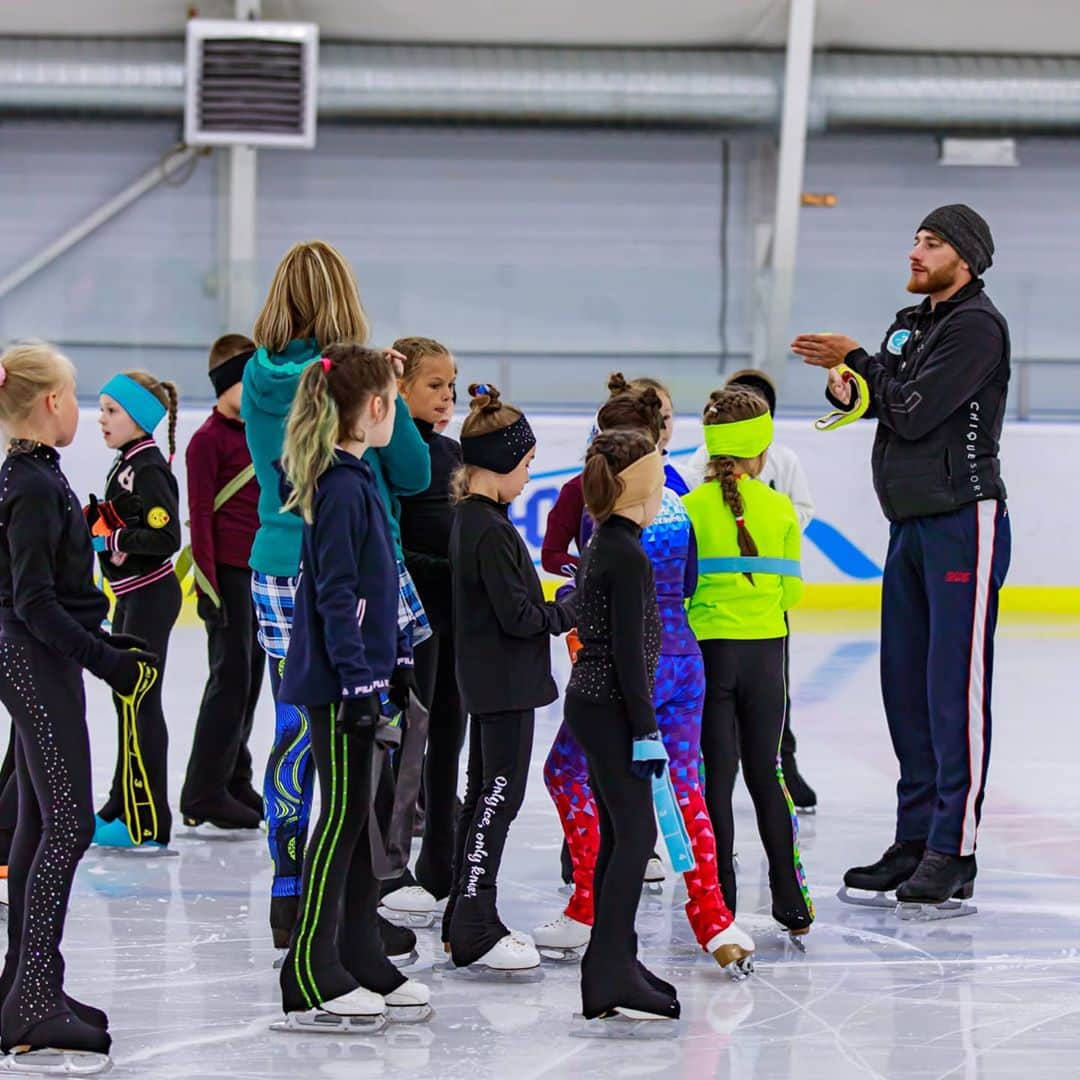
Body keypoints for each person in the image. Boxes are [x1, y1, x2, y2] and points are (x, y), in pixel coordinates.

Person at [792, 204, 1011, 909]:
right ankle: (915, 839)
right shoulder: (912, 322)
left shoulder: (976, 327)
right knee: (906, 690)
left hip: (961, 522)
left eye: (934, 242)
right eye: (915, 238)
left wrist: (859, 363)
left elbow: (915, 410)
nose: (916, 251)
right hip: (910, 523)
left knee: (954, 690)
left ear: (966, 258)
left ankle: (955, 849)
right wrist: (849, 386)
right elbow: (883, 397)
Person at [242, 240, 429, 953]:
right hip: (351, 563)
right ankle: (355, 899)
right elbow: (410, 472)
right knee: (362, 735)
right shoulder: (355, 379)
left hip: (278, 562)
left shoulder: (258, 379)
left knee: (295, 729)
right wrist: (390, 392)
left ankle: (291, 888)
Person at [536, 382, 754, 976]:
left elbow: (598, 593)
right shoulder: (676, 504)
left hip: (631, 666)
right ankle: (714, 918)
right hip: (685, 657)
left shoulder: (605, 514)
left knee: (567, 772)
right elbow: (686, 585)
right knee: (684, 787)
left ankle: (587, 904)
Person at [0, 342, 159, 1072]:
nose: (81, 406)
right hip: (33, 659)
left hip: (44, 656)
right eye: (75, 394)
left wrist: (101, 648)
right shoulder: (30, 485)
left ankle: (27, 987)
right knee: (66, 820)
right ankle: (32, 997)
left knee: (43, 819)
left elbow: (56, 594)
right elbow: (33, 602)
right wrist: (110, 662)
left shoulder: (41, 475)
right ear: (50, 404)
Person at [274, 344, 430, 1030]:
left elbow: (374, 585)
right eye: (395, 402)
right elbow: (336, 594)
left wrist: (393, 659)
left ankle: (361, 952)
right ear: (374, 408)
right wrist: (360, 680)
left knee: (364, 817)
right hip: (339, 685)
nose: (396, 413)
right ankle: (310, 965)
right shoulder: (338, 486)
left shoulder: (357, 477)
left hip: (363, 675)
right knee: (341, 818)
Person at [443, 383, 576, 975]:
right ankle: (474, 921)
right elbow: (520, 616)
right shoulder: (489, 530)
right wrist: (571, 607)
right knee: (499, 797)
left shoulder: (476, 520)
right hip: (504, 683)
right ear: (498, 464)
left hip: (492, 680)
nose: (528, 477)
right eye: (524, 465)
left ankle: (461, 915)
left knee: (481, 796)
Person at [683, 387, 814, 937]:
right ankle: (791, 897)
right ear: (762, 451)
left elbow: (682, 591)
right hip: (767, 654)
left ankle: (723, 901)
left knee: (716, 779)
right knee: (768, 772)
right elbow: (791, 594)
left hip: (709, 655)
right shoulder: (781, 507)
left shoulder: (687, 507)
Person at [563, 428, 680, 1026]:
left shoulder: (609, 541)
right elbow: (631, 657)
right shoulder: (626, 554)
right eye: (659, 481)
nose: (663, 492)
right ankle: (608, 967)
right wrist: (646, 729)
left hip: (596, 704)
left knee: (621, 834)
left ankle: (616, 962)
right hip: (610, 708)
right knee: (635, 836)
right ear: (638, 488)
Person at [380, 337, 465, 924]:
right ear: (401, 386)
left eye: (451, 386)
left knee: (449, 738)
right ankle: (391, 863)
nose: (447, 397)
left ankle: (441, 856)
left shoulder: (456, 452)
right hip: (410, 620)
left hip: (457, 618)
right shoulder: (388, 451)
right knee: (408, 740)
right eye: (434, 386)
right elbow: (396, 542)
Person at [89, 369, 181, 850]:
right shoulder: (128, 460)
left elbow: (166, 538)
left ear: (139, 418)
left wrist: (112, 535)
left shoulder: (147, 467)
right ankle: (120, 804)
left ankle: (149, 821)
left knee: (141, 703)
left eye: (111, 411)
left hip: (149, 596)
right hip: (131, 594)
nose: (101, 420)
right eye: (101, 409)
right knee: (126, 702)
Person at [179, 334, 263, 833]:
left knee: (249, 684)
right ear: (225, 385)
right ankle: (202, 790)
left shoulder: (258, 434)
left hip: (258, 576)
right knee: (228, 682)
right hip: (226, 578)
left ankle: (234, 775)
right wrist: (209, 591)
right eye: (246, 382)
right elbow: (200, 521)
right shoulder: (206, 441)